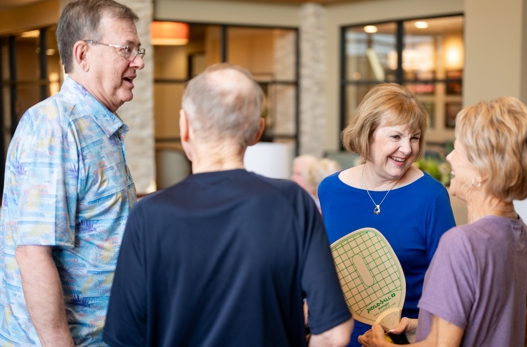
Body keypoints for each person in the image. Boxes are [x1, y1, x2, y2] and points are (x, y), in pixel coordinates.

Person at [103, 63, 353, 347]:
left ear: (184, 126)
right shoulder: (294, 203)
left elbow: (124, 340)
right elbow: (334, 333)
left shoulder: (147, 215)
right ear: (258, 131)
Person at [0, 1, 145, 346]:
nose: (138, 61)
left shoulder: (96, 127)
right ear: (83, 55)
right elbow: (33, 254)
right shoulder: (55, 128)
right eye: (127, 49)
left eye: (139, 50)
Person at [358, 97, 527, 347]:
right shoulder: (523, 234)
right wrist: (420, 326)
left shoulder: (460, 244)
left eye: (458, 150)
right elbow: (511, 330)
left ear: (483, 171)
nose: (449, 157)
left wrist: (381, 345)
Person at [318, 83, 456, 347]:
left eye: (414, 138)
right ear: (366, 133)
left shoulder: (432, 197)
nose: (407, 149)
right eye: (396, 137)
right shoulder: (330, 190)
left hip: (407, 339)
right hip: (341, 336)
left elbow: (449, 291)